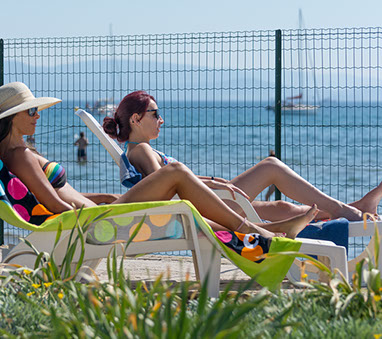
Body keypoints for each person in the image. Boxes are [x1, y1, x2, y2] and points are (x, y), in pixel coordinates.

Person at [0, 82, 317, 240]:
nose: (37, 115)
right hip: (94, 222)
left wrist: (103, 200)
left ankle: (258, 231)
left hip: (100, 211)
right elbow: (55, 205)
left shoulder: (21, 154)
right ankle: (255, 231)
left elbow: (61, 197)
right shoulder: (21, 155)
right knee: (176, 173)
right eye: (31, 111)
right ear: (13, 118)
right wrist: (88, 219)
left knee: (181, 207)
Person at [103, 90, 382, 223]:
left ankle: (349, 209)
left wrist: (212, 181)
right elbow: (167, 185)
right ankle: (348, 212)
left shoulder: (140, 150)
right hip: (197, 212)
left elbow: (173, 182)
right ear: (137, 119)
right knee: (271, 166)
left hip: (198, 206)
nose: (161, 120)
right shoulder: (140, 150)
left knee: (283, 210)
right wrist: (214, 184)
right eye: (155, 114)